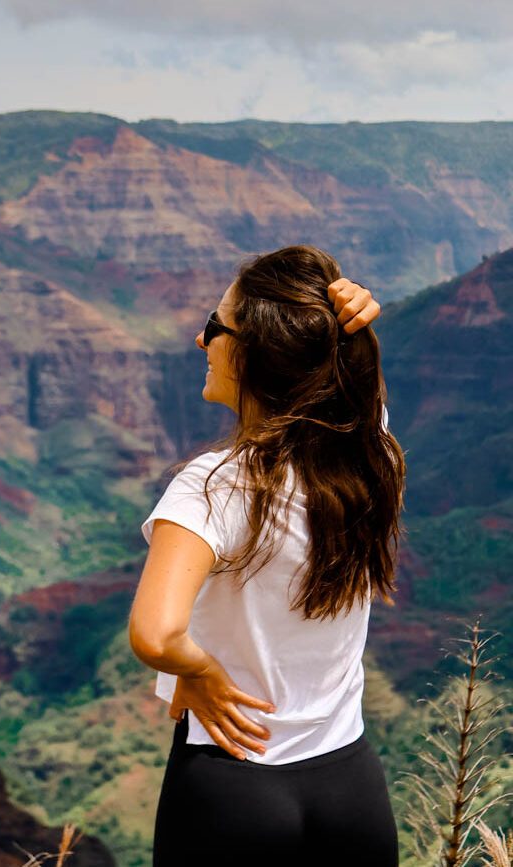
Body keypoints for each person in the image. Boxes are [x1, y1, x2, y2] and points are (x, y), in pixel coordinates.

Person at [128, 245, 405, 866]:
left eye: (215, 326)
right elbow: (360, 399)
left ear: (256, 353)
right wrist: (348, 326)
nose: (202, 341)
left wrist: (196, 671)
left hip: (233, 795)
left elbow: (154, 632)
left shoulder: (213, 485)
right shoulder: (370, 459)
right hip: (351, 789)